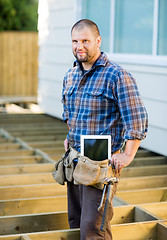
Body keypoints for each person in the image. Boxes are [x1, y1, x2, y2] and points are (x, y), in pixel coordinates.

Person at [62, 19, 148, 240]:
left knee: (93, 228)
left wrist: (128, 154)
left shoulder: (116, 75)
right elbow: (70, 113)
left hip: (100, 160)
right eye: (74, 41)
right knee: (76, 220)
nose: (79, 46)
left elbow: (136, 118)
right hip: (73, 160)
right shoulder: (70, 76)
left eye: (85, 41)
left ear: (98, 41)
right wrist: (68, 137)